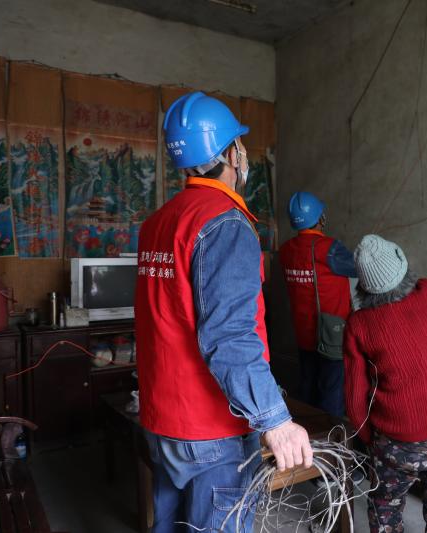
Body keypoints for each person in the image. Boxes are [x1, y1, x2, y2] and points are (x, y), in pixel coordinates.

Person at [135, 91, 312, 533]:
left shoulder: (158, 223)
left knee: (170, 524)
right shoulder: (226, 223)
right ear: (232, 153)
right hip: (211, 429)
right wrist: (275, 420)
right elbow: (229, 335)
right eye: (240, 144)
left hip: (162, 420)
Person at [344, 222, 427, 533]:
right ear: (403, 267)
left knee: (385, 506)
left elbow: (354, 396)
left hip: (398, 440)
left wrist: (371, 440)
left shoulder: (359, 325)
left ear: (363, 286)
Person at [279, 192, 356, 417]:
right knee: (332, 391)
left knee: (308, 387)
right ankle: (331, 436)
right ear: (320, 217)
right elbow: (358, 268)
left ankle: (308, 432)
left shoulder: (286, 250)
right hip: (331, 335)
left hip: (304, 332)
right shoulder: (329, 248)